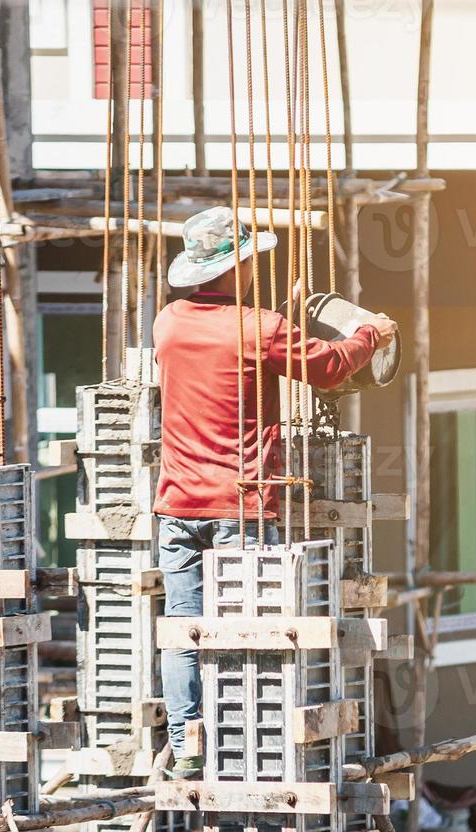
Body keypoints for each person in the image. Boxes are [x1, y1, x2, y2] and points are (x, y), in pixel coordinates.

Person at [154, 206, 397, 777]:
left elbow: (234, 353)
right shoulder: (260, 329)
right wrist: (372, 333)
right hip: (240, 503)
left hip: (177, 504)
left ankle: (188, 743)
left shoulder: (169, 322)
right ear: (235, 267)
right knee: (247, 627)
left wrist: (280, 317)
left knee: (185, 629)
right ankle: (246, 740)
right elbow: (332, 366)